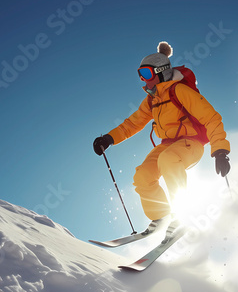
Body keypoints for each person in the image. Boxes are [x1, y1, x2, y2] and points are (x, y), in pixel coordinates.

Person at [93, 41, 230, 235]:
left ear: (162, 71)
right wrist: (108, 138)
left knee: (169, 160)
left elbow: (211, 117)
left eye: (147, 74)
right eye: (140, 75)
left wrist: (220, 150)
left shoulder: (180, 91)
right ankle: (161, 216)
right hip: (167, 145)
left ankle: (181, 215)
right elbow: (133, 123)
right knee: (142, 176)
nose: (143, 80)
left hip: (191, 144)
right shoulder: (152, 100)